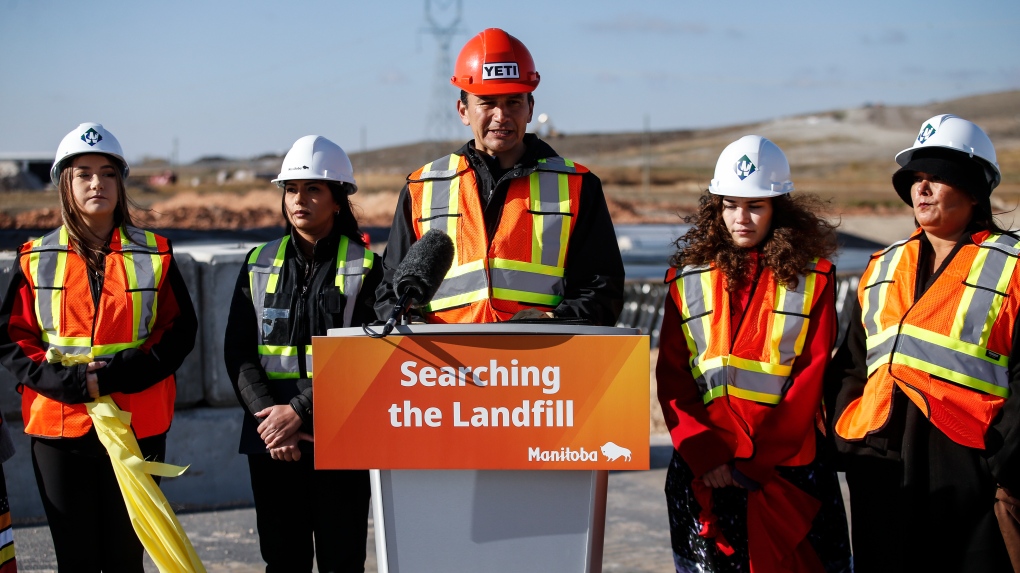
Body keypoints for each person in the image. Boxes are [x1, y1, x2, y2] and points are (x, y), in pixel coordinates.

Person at [0, 122, 197, 571]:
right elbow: (13, 339)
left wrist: (116, 374)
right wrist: (67, 382)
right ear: (64, 184)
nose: (97, 183)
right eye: (83, 173)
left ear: (121, 183)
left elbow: (179, 333)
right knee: (76, 558)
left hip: (136, 424)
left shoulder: (156, 254)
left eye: (108, 173)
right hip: (59, 427)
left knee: (126, 557)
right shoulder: (33, 258)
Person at [827, 114, 1020, 572]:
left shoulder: (1013, 266)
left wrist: (1004, 467)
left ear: (974, 190)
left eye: (937, 177)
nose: (922, 189)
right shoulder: (882, 266)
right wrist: (851, 444)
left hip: (969, 469)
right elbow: (854, 362)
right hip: (882, 468)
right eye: (916, 179)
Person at [657, 136, 851, 572]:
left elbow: (809, 378)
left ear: (777, 208)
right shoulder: (685, 280)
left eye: (755, 206)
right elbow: (673, 379)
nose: (740, 218)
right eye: (729, 205)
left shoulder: (814, 279)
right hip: (704, 465)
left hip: (785, 471)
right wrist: (707, 457)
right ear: (716, 206)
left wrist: (758, 463)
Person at [375, 27, 624, 326]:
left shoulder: (579, 187)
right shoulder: (422, 188)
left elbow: (602, 290)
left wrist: (553, 320)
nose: (501, 116)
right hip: (442, 367)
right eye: (488, 102)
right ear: (463, 110)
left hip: (538, 366)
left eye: (513, 102)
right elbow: (390, 290)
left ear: (530, 109)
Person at [223, 135, 380, 572]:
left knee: (341, 560)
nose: (299, 199)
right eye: (291, 189)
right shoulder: (257, 262)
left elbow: (369, 357)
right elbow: (238, 353)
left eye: (313, 189)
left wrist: (299, 411)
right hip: (271, 441)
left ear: (337, 200)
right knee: (282, 560)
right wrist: (273, 422)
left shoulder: (367, 267)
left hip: (340, 438)